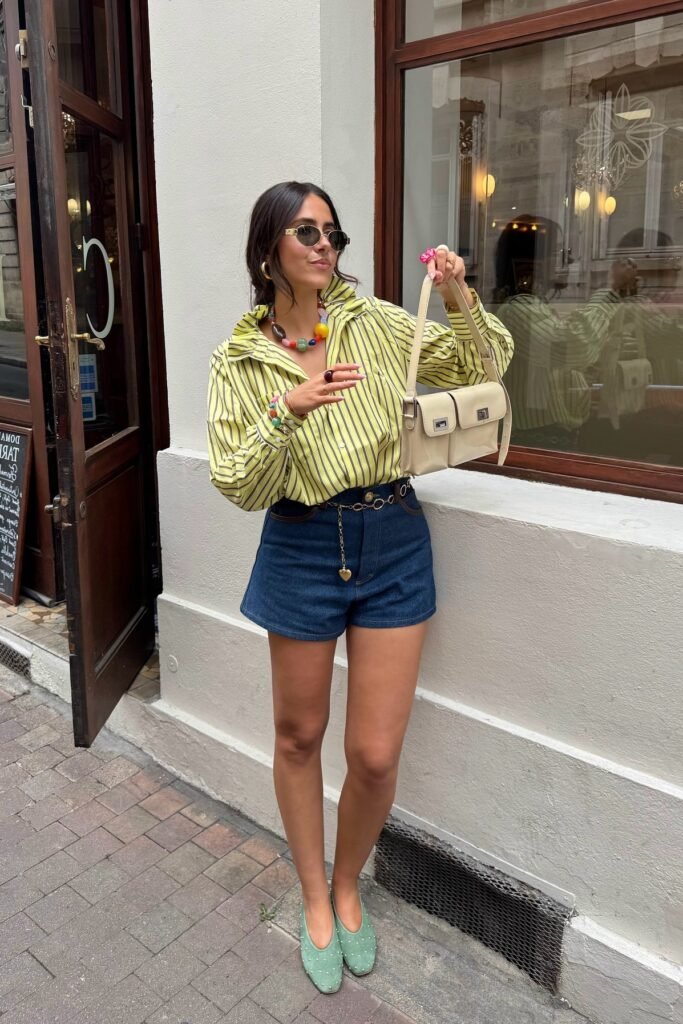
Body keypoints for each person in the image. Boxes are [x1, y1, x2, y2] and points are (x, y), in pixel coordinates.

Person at [206, 181, 514, 994]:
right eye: (306, 231)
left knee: (374, 755)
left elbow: (488, 362)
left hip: (391, 537)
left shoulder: (374, 323)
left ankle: (349, 884)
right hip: (301, 542)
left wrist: (455, 293)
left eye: (333, 233)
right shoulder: (240, 357)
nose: (324, 245)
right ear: (268, 245)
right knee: (299, 738)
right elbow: (237, 481)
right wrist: (288, 409)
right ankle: (313, 895)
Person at [493, 215, 625, 450]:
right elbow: (573, 345)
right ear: (534, 262)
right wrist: (610, 292)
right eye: (559, 252)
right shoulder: (517, 309)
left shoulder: (534, 306)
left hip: (550, 433)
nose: (569, 260)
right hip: (534, 439)